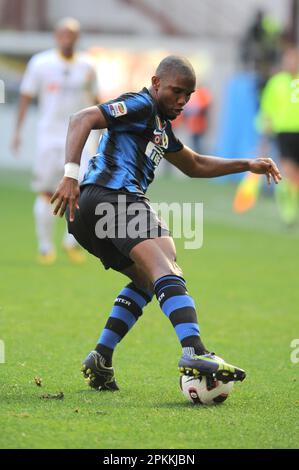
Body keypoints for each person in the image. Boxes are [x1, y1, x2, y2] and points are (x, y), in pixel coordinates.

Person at [51, 56, 281, 391]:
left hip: (89, 214)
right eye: (176, 91)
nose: (182, 100)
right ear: (156, 82)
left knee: (148, 279)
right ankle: (194, 350)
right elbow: (82, 117)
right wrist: (70, 174)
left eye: (188, 94)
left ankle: (101, 357)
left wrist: (247, 163)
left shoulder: (160, 126)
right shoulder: (140, 104)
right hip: (113, 197)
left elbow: (195, 164)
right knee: (166, 269)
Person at [12, 17, 99, 264]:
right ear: (56, 36)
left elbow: (97, 100)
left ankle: (72, 242)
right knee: (46, 191)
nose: (66, 38)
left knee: (86, 190)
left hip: (81, 137)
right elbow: (26, 96)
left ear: (77, 38)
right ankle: (45, 247)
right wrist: (17, 132)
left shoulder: (88, 65)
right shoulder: (40, 63)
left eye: (71, 34)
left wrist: (103, 134)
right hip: (50, 137)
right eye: (62, 34)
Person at [259, 47, 299, 225]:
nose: (293, 63)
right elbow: (267, 110)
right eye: (290, 60)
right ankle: (289, 211)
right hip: (284, 132)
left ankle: (291, 204)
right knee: (289, 172)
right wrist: (264, 138)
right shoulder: (276, 82)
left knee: (295, 176)